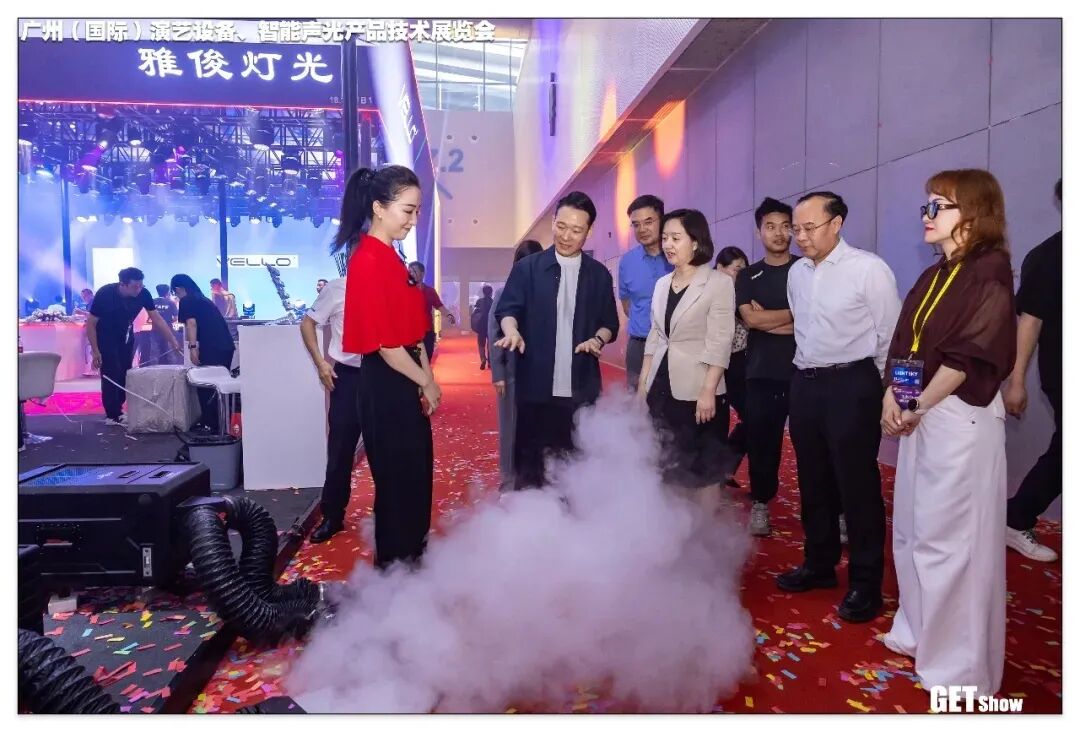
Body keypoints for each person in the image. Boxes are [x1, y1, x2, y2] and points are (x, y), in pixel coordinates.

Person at [880, 169, 1016, 697]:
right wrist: (896, 396)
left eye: (940, 205)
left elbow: (971, 355)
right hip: (923, 416)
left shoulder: (990, 269)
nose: (928, 214)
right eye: (927, 204)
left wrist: (914, 403)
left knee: (953, 543)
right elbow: (906, 342)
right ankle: (919, 634)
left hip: (960, 418)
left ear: (974, 213)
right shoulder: (935, 273)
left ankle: (959, 668)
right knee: (913, 532)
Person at [778, 191, 901, 624]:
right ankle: (819, 563)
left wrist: (889, 393)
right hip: (805, 383)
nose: (800, 237)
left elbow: (891, 337)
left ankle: (866, 583)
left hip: (852, 384)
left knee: (857, 485)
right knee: (812, 480)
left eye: (809, 228)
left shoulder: (868, 270)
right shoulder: (796, 273)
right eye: (796, 228)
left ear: (837, 224)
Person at [341, 165, 440, 569]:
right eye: (408, 211)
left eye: (417, 212)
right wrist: (425, 382)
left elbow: (412, 333)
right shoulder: (367, 260)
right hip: (386, 385)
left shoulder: (391, 257)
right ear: (379, 208)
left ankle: (410, 567)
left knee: (415, 479)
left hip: (405, 378)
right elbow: (385, 346)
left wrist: (426, 378)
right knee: (398, 486)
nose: (413, 221)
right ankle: (395, 575)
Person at [494, 191, 620, 490]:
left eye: (576, 230)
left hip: (580, 388)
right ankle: (530, 516)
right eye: (561, 226)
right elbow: (508, 310)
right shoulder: (527, 268)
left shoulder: (598, 275)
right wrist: (511, 330)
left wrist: (597, 340)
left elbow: (609, 323)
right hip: (535, 387)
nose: (565, 236)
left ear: (589, 231)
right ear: (552, 221)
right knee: (531, 467)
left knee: (576, 467)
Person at [637, 210, 735, 498]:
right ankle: (674, 522)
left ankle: (703, 525)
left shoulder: (718, 283)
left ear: (695, 242)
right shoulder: (661, 284)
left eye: (676, 238)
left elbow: (720, 340)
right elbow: (655, 337)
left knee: (703, 469)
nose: (668, 244)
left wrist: (708, 390)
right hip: (662, 386)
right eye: (665, 238)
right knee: (666, 463)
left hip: (699, 389)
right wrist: (642, 385)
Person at [1002, 179, 1062, 562]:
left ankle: (1016, 515)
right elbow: (1030, 321)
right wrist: (1017, 380)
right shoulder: (1048, 256)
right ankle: (1016, 516)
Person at [735, 197, 799, 537]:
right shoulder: (748, 275)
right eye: (770, 227)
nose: (778, 233)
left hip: (805, 371)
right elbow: (750, 320)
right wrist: (796, 315)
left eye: (785, 226)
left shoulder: (806, 270)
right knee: (763, 443)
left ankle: (833, 510)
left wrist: (767, 320)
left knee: (815, 446)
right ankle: (761, 503)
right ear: (759, 232)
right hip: (762, 372)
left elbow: (816, 321)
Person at [302, 257, 365, 544]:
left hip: (384, 376)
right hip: (348, 377)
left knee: (385, 449)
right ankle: (333, 515)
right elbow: (307, 323)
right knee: (340, 449)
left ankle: (391, 515)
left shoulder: (388, 287)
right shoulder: (337, 288)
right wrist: (321, 363)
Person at [87, 267, 181, 426]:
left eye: (140, 286)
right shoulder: (105, 293)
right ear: (122, 284)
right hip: (106, 337)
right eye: (134, 287)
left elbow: (156, 318)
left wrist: (172, 340)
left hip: (127, 336)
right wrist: (95, 350)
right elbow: (91, 323)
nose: (138, 289)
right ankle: (112, 414)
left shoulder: (143, 294)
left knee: (125, 372)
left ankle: (119, 409)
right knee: (111, 373)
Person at [489, 239, 544, 491]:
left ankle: (533, 479)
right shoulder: (505, 293)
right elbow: (494, 334)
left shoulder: (547, 292)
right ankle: (508, 480)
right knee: (510, 429)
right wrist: (498, 374)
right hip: (512, 372)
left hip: (540, 373)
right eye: (525, 262)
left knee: (537, 428)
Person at [618, 195, 674, 392]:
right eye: (636, 224)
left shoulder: (678, 255)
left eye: (648, 222)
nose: (642, 229)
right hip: (639, 346)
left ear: (662, 220)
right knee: (637, 401)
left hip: (674, 345)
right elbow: (627, 306)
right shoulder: (627, 262)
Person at [170, 274, 236, 434]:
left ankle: (211, 425)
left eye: (175, 292)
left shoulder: (187, 300)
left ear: (178, 289)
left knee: (206, 385)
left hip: (213, 346)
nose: (176, 295)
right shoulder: (202, 299)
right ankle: (221, 423)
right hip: (224, 346)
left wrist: (193, 348)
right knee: (218, 385)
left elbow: (191, 323)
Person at [714, 246, 749, 491]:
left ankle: (724, 466)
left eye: (744, 269)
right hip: (716, 361)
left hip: (739, 362)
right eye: (737, 269)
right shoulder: (712, 293)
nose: (741, 274)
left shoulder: (744, 292)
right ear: (720, 268)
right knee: (716, 420)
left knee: (752, 417)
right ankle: (713, 474)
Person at [407, 261, 456, 360]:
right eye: (410, 272)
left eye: (414, 271)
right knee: (417, 360)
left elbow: (439, 306)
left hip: (427, 332)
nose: (411, 274)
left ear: (422, 273)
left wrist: (449, 315)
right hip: (412, 334)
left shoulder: (430, 291)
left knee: (427, 357)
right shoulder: (406, 291)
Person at [151, 284, 181, 365]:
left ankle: (154, 369)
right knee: (170, 350)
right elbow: (176, 318)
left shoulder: (152, 302)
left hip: (155, 329)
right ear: (167, 292)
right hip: (168, 330)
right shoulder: (171, 303)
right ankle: (172, 368)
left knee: (155, 351)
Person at [471, 284, 494, 370]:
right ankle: (490, 363)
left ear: (483, 293)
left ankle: (483, 359)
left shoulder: (479, 301)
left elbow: (474, 313)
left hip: (481, 326)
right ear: (491, 293)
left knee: (481, 344)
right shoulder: (493, 302)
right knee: (490, 345)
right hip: (490, 326)